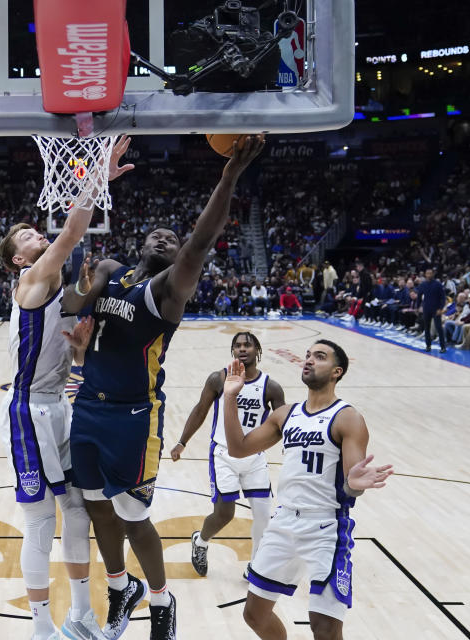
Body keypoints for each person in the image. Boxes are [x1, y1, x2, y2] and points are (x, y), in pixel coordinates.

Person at [67, 135, 267, 640]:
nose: (164, 238)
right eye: (156, 235)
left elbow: (201, 240)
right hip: (88, 405)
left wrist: (228, 178)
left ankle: (161, 602)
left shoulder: (169, 291)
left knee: (134, 520)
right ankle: (120, 590)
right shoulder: (111, 272)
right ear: (139, 245)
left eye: (172, 239)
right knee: (95, 510)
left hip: (136, 418)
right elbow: (71, 305)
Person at [0, 134, 134, 640]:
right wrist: (96, 176)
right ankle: (40, 626)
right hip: (28, 412)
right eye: (29, 235)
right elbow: (73, 232)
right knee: (39, 523)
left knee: (77, 508)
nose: (38, 234)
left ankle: (82, 615)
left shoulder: (56, 284)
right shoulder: (32, 279)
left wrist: (79, 352)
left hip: (59, 405)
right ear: (18, 260)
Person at [221, 340, 393, 639]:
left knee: (324, 628)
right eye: (308, 355)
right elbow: (238, 448)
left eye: (320, 357)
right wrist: (229, 398)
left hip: (325, 525)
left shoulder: (347, 417)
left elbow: (354, 481)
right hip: (283, 521)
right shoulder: (285, 414)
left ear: (337, 372)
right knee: (254, 614)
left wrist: (354, 483)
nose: (310, 360)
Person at [170, 331, 285, 577]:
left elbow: (282, 423)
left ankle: (255, 568)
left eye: (248, 345)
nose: (242, 349)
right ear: (232, 351)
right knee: (225, 513)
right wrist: (182, 442)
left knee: (264, 516)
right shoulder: (218, 379)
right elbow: (200, 410)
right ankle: (200, 540)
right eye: (237, 346)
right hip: (223, 455)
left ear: (258, 350)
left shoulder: (271, 387)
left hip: (255, 457)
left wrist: (288, 448)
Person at [417, 268, 447, 353]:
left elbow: (443, 298)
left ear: (433, 274)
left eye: (430, 273)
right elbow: (419, 297)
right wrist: (417, 307)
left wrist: (440, 309)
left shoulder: (438, 284)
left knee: (439, 328)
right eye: (427, 273)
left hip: (436, 309)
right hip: (426, 309)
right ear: (425, 274)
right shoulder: (422, 285)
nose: (429, 275)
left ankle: (443, 347)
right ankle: (428, 346)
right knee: (427, 328)